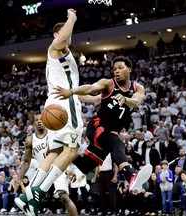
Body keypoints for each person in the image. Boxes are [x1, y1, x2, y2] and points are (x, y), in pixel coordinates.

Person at [14, 9, 100, 216]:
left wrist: (93, 98)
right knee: (71, 151)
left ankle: (26, 197)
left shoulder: (61, 55)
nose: (69, 36)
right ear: (57, 35)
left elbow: (70, 90)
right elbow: (62, 37)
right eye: (65, 33)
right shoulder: (55, 46)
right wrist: (72, 17)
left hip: (58, 103)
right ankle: (38, 192)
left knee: (55, 152)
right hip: (64, 106)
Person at [53, 56, 152, 198]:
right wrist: (72, 91)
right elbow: (91, 88)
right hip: (98, 126)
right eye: (114, 69)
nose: (116, 71)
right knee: (118, 142)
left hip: (108, 134)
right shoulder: (108, 84)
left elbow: (136, 101)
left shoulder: (138, 87)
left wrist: (126, 100)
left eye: (120, 68)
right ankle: (131, 176)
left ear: (129, 69)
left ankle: (60, 147)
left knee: (85, 166)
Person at [16, 114, 78, 216]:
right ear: (33, 123)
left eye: (41, 119)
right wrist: (19, 178)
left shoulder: (54, 135)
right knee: (27, 198)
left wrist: (71, 169)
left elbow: (66, 152)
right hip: (42, 173)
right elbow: (27, 162)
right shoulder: (29, 140)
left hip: (58, 170)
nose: (39, 121)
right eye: (37, 120)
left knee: (64, 197)